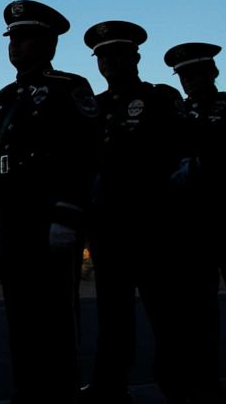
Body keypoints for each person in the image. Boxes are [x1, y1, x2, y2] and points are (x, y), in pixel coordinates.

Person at [0, 0, 101, 404]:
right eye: (13, 38)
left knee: (56, 319)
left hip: (50, 220)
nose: (16, 45)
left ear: (48, 43)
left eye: (26, 37)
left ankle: (61, 392)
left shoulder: (70, 87)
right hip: (13, 221)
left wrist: (67, 213)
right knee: (21, 316)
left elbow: (85, 153)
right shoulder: (2, 98)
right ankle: (27, 391)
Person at [79, 21, 187, 403]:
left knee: (167, 310)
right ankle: (111, 383)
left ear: (135, 56)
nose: (109, 61)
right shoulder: (95, 106)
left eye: (117, 53)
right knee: (113, 314)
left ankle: (177, 382)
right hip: (108, 225)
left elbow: (181, 152)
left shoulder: (160, 97)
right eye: (103, 55)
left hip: (153, 222)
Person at [164, 42, 226, 403]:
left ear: (213, 74)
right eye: (185, 76)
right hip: (193, 225)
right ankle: (206, 380)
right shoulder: (178, 115)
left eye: (197, 74)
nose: (191, 81)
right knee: (200, 310)